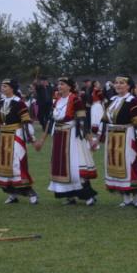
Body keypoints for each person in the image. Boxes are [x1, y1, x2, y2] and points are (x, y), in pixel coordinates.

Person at [36, 76, 97, 206]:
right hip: (59, 137)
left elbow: (82, 122)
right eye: (59, 84)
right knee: (61, 167)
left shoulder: (76, 100)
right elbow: (50, 121)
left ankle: (88, 196)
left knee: (75, 167)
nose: (59, 86)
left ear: (69, 86)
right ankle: (70, 196)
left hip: (72, 138)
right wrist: (42, 140)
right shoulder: (57, 101)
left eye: (63, 84)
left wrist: (90, 139)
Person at [0, 78, 38, 204]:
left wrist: (32, 138)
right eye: (2, 86)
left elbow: (26, 122)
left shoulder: (19, 103)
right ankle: (12, 194)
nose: (2, 88)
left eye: (5, 86)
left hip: (16, 136)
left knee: (16, 165)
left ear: (12, 88)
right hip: (3, 138)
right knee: (4, 166)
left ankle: (31, 193)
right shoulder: (1, 102)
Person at [97, 75, 137, 208]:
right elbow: (105, 119)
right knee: (115, 165)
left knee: (129, 165)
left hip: (127, 136)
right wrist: (100, 136)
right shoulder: (112, 100)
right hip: (112, 137)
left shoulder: (133, 101)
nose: (118, 85)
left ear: (129, 86)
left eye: (122, 83)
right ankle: (126, 196)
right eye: (116, 83)